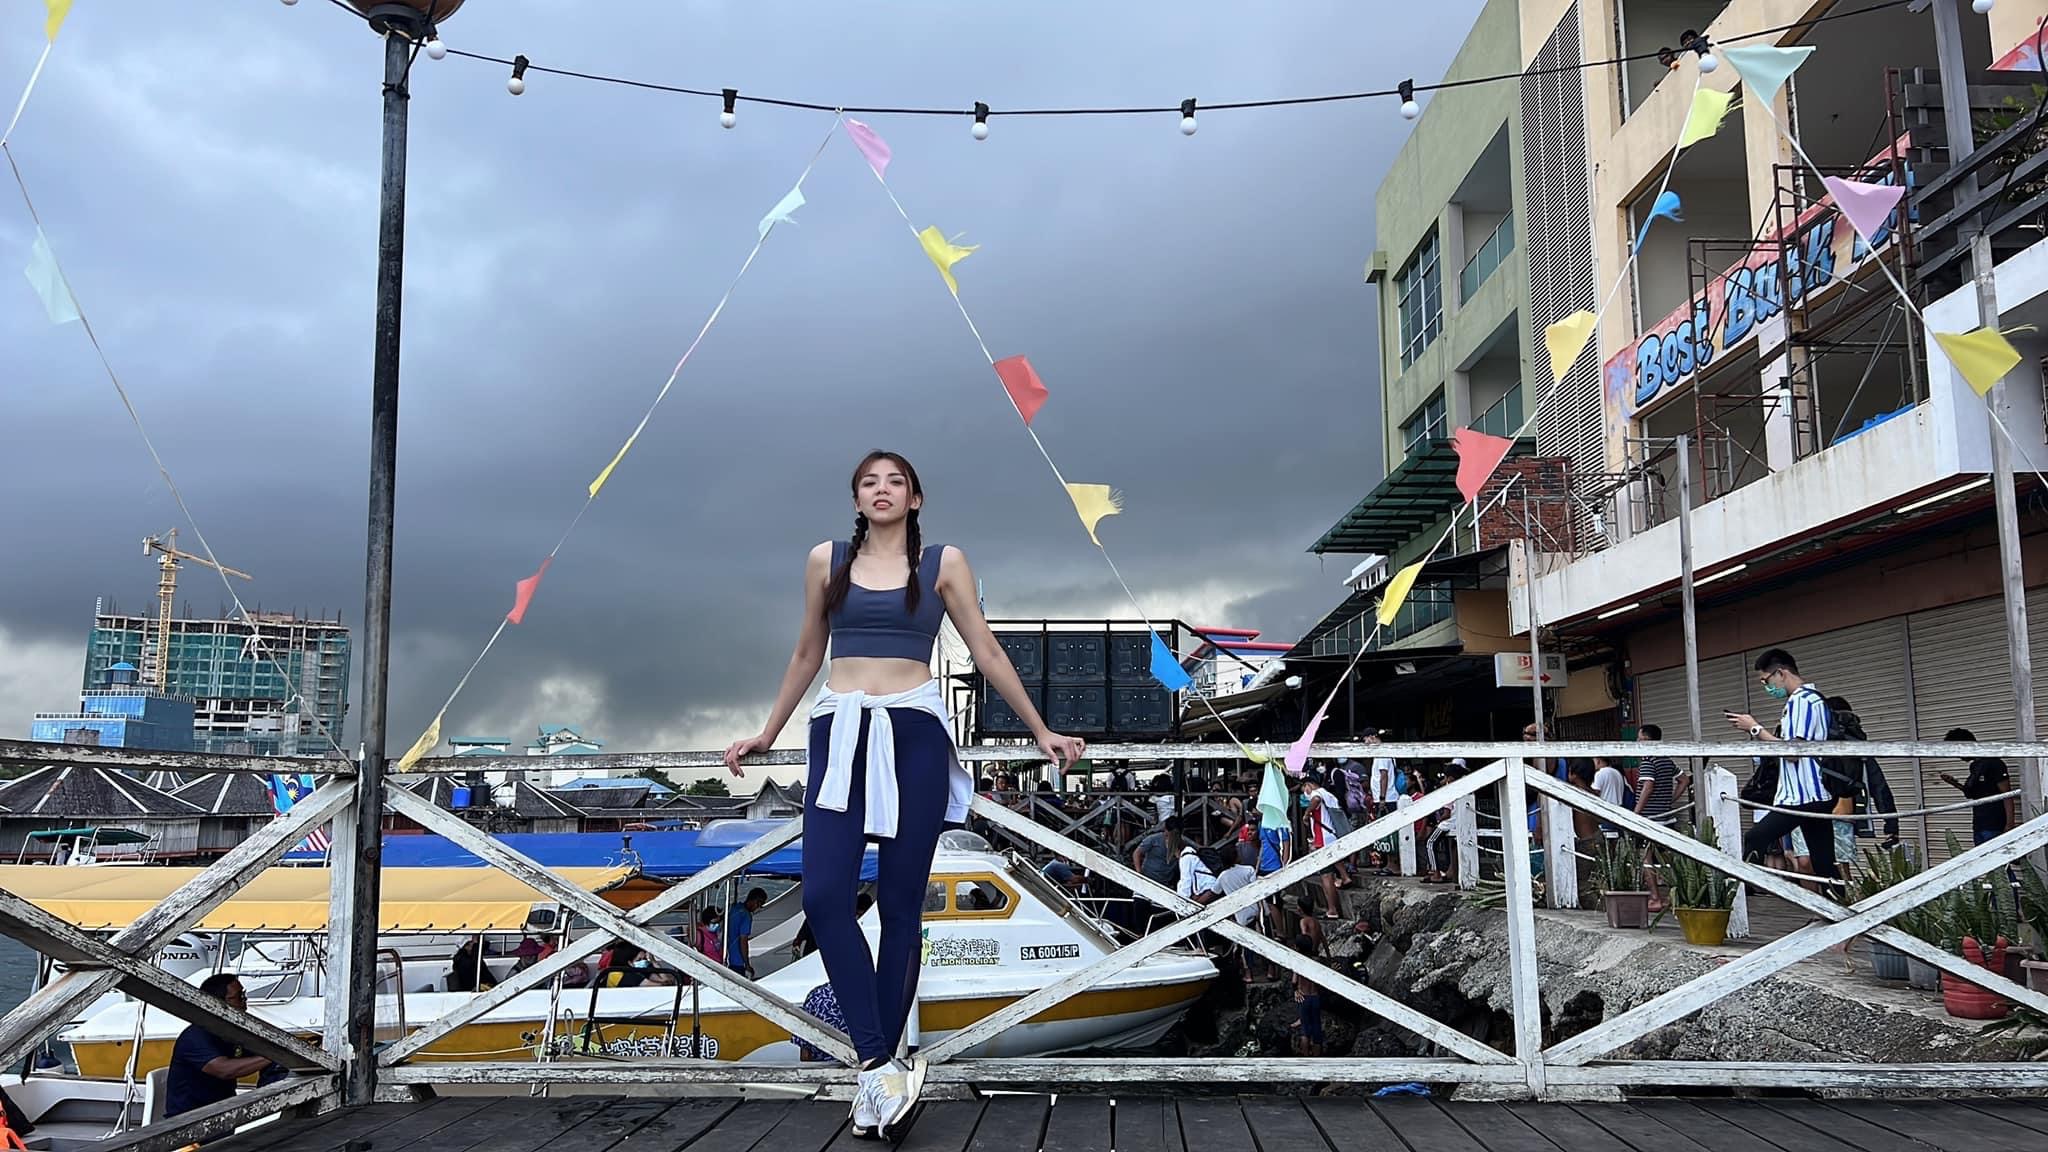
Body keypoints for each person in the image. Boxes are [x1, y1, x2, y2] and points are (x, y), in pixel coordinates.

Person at [722, 451, 1083, 1140]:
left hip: (913, 735)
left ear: (915, 498)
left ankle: (877, 1086)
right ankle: (879, 1063)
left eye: (895, 482)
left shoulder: (944, 562)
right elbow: (807, 653)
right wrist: (768, 733)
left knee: (898, 907)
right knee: (825, 896)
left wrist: (1040, 729)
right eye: (870, 482)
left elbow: (986, 649)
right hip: (839, 731)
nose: (882, 490)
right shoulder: (825, 560)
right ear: (857, 499)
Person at [1728, 648, 1837, 886]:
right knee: (1823, 861)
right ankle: (1838, 903)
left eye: (1766, 681)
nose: (1766, 687)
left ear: (1781, 673)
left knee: (1755, 838)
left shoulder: (1802, 701)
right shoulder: (1809, 700)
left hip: (1802, 795)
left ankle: (1739, 890)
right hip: (1814, 794)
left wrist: (1755, 728)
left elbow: (1792, 752)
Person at [165, 975, 284, 1119]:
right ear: (218, 1003)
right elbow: (224, 1069)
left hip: (223, 1112)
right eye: (239, 997)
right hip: (189, 1119)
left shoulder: (231, 1033)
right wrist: (275, 1055)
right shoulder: (195, 1036)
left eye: (244, 995)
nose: (244, 1003)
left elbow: (261, 1052)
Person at [1942, 728, 2015, 847]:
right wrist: (1954, 784)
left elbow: (2007, 795)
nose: (1957, 755)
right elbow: (1972, 793)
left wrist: (2009, 825)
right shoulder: (1975, 766)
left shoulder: (1994, 763)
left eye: (1957, 750)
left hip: (1994, 824)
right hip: (1980, 824)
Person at [728, 888, 767, 977]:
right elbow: (743, 941)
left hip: (727, 954)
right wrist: (747, 964)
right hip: (737, 960)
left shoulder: (734, 908)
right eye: (760, 904)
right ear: (755, 901)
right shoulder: (746, 916)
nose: (758, 908)